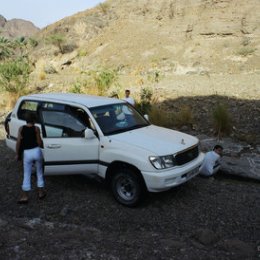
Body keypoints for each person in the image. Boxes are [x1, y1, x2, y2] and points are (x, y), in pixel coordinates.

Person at [16, 112, 46, 204]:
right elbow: (39, 142)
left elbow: (18, 143)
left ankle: (25, 196)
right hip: (36, 151)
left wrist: (17, 154)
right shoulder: (36, 128)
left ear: (26, 120)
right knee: (39, 172)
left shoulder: (21, 128)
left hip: (27, 153)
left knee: (27, 173)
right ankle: (40, 193)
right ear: (34, 120)